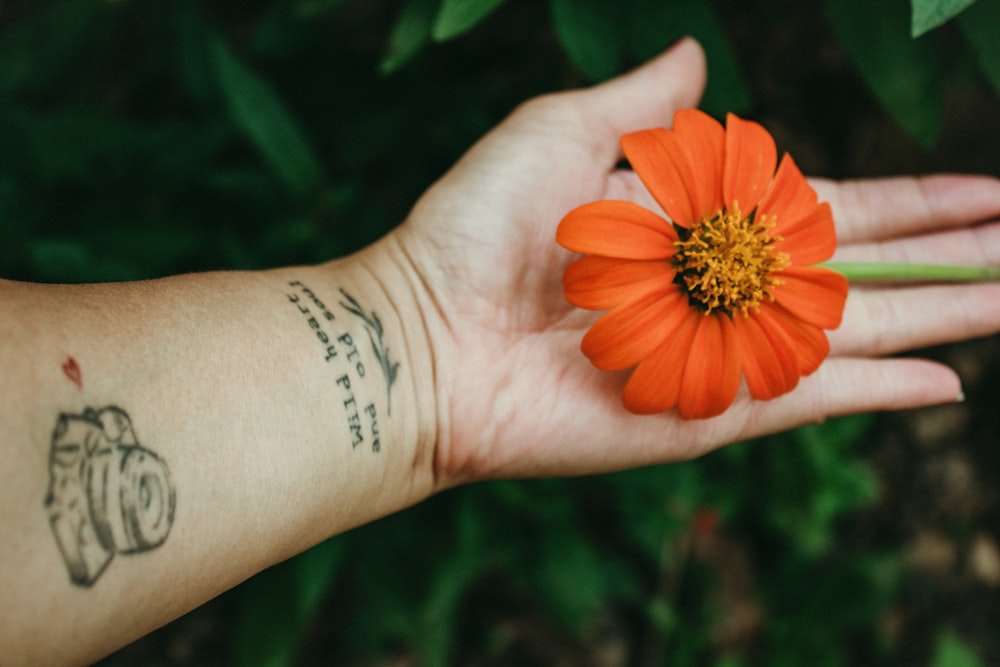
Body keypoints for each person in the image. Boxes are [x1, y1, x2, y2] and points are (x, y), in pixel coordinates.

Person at [2, 37, 999, 665]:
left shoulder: (743, 284)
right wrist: (414, 334)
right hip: (671, 265)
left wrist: (410, 343)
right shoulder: (670, 240)